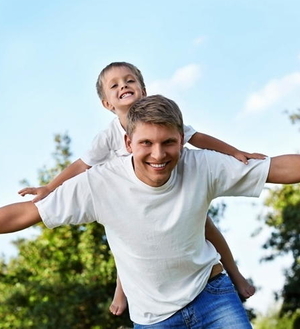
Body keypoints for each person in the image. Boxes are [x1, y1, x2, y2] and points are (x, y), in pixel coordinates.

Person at [1, 94, 300, 328]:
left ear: (182, 141)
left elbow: (277, 168)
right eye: (146, 143)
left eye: (169, 142)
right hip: (153, 319)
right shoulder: (100, 183)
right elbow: (26, 213)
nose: (158, 155)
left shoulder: (202, 165)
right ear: (129, 143)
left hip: (212, 296)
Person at [18, 62, 261, 316]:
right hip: (132, 200)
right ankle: (121, 290)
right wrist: (50, 187)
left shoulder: (162, 117)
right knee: (126, 238)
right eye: (114, 85)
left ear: (143, 90)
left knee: (206, 226)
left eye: (130, 80)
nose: (123, 85)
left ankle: (235, 274)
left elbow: (198, 138)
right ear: (107, 104)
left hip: (175, 193)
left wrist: (233, 152)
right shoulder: (108, 137)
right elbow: (82, 165)